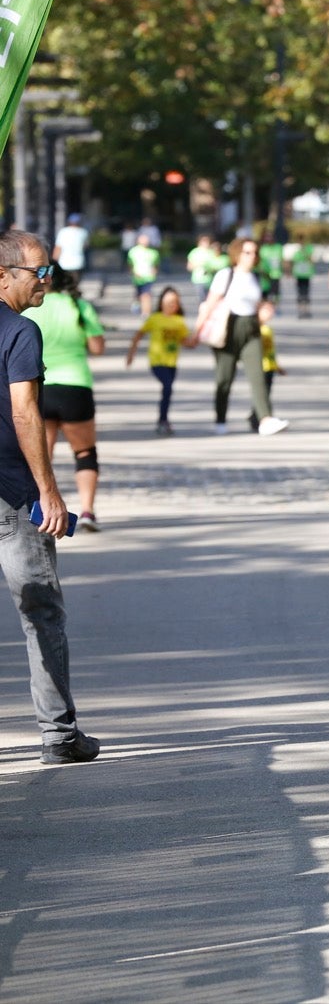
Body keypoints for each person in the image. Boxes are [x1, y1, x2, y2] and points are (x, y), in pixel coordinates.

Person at [0, 231, 99, 763]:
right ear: (2, 275)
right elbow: (24, 413)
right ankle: (59, 736)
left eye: (49, 269)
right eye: (37, 271)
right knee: (40, 609)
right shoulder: (20, 330)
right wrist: (48, 491)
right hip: (12, 494)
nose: (46, 280)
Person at [22, 270, 105, 532]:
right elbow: (97, 348)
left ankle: (40, 510)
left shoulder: (31, 308)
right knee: (84, 452)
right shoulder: (79, 306)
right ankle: (88, 510)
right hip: (76, 385)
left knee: (42, 456)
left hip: (40, 387)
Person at [190, 238, 288, 436]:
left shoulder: (256, 277)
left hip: (251, 327)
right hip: (228, 328)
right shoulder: (225, 275)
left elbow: (258, 302)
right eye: (247, 253)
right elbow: (209, 304)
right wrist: (196, 333)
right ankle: (220, 419)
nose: (252, 257)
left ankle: (265, 419)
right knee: (224, 378)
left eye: (254, 253)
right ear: (237, 254)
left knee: (257, 375)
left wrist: (265, 309)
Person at [125, 286, 188, 436]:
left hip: (172, 363)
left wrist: (203, 336)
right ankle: (163, 420)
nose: (171, 305)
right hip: (157, 361)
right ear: (161, 303)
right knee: (167, 387)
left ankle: (163, 419)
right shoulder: (155, 319)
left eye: (174, 302)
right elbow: (138, 335)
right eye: (168, 302)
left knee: (167, 391)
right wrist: (131, 355)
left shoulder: (179, 321)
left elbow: (186, 341)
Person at [126, 233, 160, 317]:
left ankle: (146, 312)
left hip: (148, 277)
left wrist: (154, 272)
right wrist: (133, 272)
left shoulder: (153, 252)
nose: (145, 242)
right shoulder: (133, 251)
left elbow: (156, 264)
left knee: (146, 295)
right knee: (139, 294)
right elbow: (130, 264)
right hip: (137, 277)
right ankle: (137, 304)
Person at [52, 214, 89, 288]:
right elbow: (86, 246)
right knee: (75, 283)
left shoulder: (63, 231)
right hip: (78, 262)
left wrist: (54, 260)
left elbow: (58, 247)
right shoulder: (83, 232)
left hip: (64, 262)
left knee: (64, 282)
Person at [186, 235, 222, 307]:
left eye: (207, 242)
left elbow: (216, 265)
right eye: (204, 241)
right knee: (202, 299)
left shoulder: (211, 252)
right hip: (198, 279)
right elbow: (189, 266)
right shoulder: (194, 252)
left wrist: (210, 268)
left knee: (210, 299)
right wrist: (198, 266)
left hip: (210, 280)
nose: (206, 243)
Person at [290, 240, 316, 319]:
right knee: (300, 294)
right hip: (299, 276)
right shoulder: (297, 253)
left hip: (306, 276)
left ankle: (307, 310)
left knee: (306, 294)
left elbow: (312, 261)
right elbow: (293, 263)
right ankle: (301, 311)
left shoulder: (308, 253)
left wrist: (306, 254)